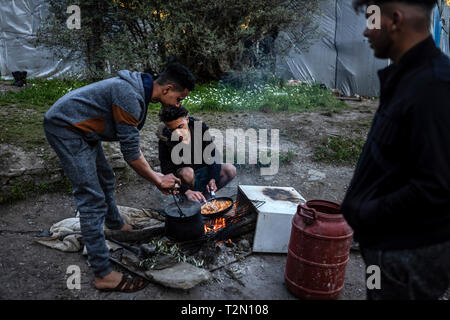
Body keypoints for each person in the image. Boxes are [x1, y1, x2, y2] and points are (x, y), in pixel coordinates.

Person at [43, 62, 195, 292]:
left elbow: (131, 145)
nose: (179, 104)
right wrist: (157, 178)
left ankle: (116, 224)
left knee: (105, 178)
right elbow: (132, 155)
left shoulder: (139, 91)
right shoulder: (129, 96)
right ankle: (103, 273)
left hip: (84, 129)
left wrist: (156, 176)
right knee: (91, 199)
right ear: (167, 89)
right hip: (66, 128)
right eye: (179, 98)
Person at [341, 0, 450, 300]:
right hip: (388, 254)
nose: (365, 31)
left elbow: (437, 187)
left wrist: (366, 212)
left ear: (395, 21)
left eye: (370, 20)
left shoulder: (435, 87)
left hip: (407, 258)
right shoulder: (408, 78)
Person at [157, 106, 236, 203]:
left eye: (180, 127)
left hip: (203, 172)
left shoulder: (200, 129)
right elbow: (167, 173)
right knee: (187, 172)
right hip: (184, 181)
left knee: (230, 169)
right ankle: (188, 200)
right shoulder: (165, 141)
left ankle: (205, 198)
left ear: (187, 119)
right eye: (172, 130)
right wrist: (186, 191)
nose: (177, 133)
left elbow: (212, 155)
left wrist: (213, 178)